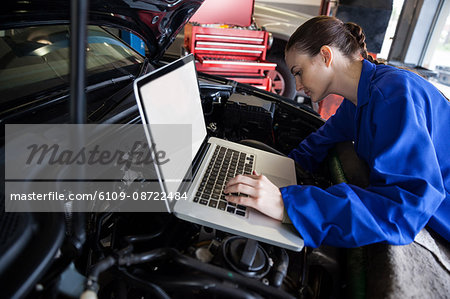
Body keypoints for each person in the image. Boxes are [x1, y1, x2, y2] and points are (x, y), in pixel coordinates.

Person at [224, 15, 450, 248]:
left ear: (325, 55)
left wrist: (286, 205)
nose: (298, 85)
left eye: (298, 71)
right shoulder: (360, 99)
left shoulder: (393, 95)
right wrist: (267, 174)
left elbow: (404, 209)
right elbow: (317, 143)